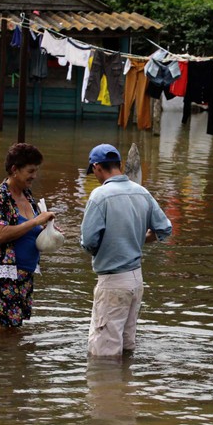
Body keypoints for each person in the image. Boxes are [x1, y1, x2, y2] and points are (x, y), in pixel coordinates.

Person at [80, 143, 172, 357]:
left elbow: (89, 242)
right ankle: (126, 387)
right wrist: (137, 239)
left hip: (112, 281)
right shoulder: (142, 193)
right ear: (120, 165)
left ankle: (109, 389)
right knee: (127, 344)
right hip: (135, 280)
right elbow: (164, 229)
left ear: (96, 168)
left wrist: (111, 244)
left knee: (103, 352)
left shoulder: (99, 196)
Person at [0, 142, 56, 328]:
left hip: (24, 275)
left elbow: (29, 231)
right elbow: (0, 235)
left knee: (14, 331)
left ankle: (10, 358)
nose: (34, 176)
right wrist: (36, 222)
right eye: (30, 171)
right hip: (3, 277)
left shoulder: (27, 195)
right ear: (14, 170)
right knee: (1, 332)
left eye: (36, 171)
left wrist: (48, 232)